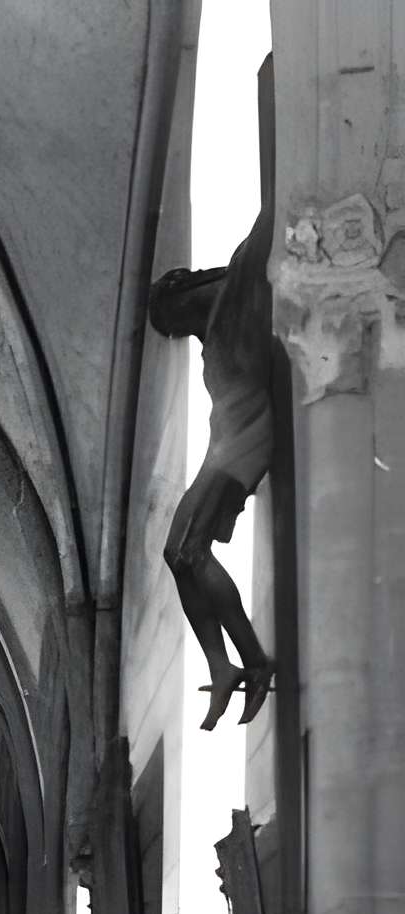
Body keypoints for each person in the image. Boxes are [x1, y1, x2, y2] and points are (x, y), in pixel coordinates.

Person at [148, 196, 275, 732]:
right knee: (177, 553)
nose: (180, 334)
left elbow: (268, 219)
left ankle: (252, 659)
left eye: (172, 323)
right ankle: (223, 665)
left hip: (245, 439)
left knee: (188, 550)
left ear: (182, 291)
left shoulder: (238, 286)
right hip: (226, 443)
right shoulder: (213, 332)